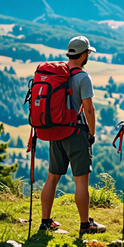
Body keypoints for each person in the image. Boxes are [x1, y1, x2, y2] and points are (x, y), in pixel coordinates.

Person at [40, 36, 106, 234]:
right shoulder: (83, 77)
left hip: (55, 131)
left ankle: (45, 221)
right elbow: (89, 110)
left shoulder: (57, 73)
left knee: (52, 177)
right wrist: (91, 134)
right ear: (84, 54)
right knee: (81, 181)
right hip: (76, 132)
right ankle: (85, 225)